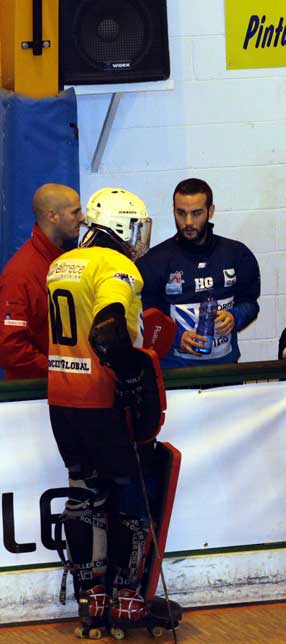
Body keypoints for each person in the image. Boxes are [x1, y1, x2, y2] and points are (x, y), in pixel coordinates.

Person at [47, 187, 179, 635]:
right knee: (128, 497)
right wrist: (130, 376)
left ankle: (91, 599)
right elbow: (107, 330)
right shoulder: (116, 265)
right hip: (101, 400)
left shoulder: (62, 262)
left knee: (84, 496)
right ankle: (124, 598)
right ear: (122, 224)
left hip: (62, 399)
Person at [137, 178, 261, 369]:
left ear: (210, 211)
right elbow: (143, 316)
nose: (188, 222)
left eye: (196, 213)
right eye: (181, 213)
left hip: (225, 372)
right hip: (176, 375)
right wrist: (177, 337)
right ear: (173, 210)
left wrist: (235, 316)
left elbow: (251, 303)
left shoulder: (237, 254)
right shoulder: (155, 261)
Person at [0, 183, 84, 379]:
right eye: (75, 212)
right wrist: (59, 372)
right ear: (52, 216)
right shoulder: (21, 273)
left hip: (66, 388)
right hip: (35, 396)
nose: (82, 218)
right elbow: (9, 347)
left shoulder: (70, 258)